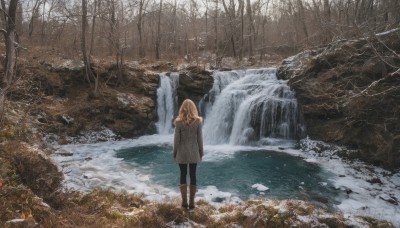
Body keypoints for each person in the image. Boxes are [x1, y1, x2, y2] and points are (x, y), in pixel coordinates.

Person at [173, 99, 204, 209]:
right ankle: (192, 202)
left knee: (183, 174)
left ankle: (184, 202)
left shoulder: (178, 122)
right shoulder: (198, 121)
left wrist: (175, 152)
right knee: (193, 175)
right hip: (194, 152)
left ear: (182, 108)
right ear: (193, 108)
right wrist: (201, 152)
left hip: (182, 152)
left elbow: (176, 139)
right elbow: (200, 139)